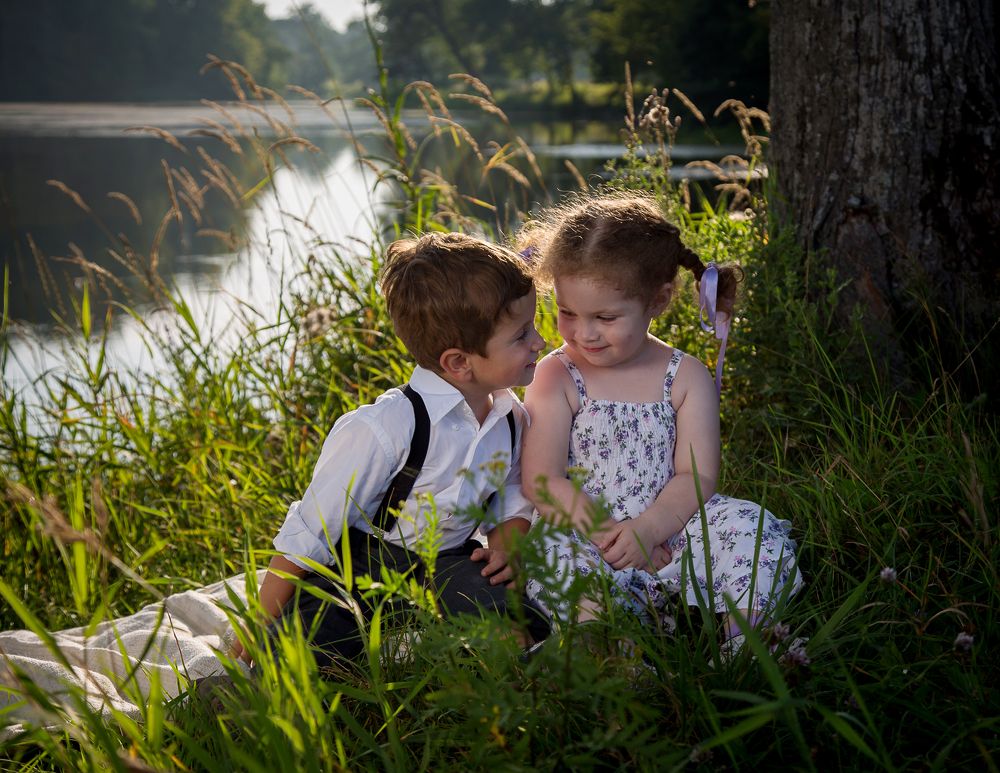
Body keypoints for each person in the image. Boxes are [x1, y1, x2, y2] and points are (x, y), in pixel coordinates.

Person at [246, 232, 546, 668]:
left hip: (448, 562)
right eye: (521, 336)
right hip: (365, 567)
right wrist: (250, 638)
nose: (539, 341)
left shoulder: (511, 419)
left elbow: (511, 501)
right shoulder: (386, 427)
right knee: (298, 651)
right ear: (458, 363)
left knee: (511, 622)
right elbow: (307, 536)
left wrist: (504, 554)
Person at [518, 192, 802, 651]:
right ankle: (608, 648)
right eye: (568, 312)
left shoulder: (685, 376)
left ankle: (744, 636)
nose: (583, 332)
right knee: (556, 559)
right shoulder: (557, 374)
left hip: (672, 530)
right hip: (585, 533)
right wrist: (613, 537)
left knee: (749, 526)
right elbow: (543, 480)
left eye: (606, 317)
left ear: (659, 300)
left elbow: (697, 475)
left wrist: (649, 529)